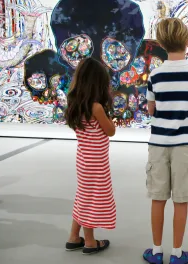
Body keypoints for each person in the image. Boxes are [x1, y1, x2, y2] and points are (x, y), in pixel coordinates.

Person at [143, 18, 188, 264]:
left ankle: (156, 251)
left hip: (158, 144)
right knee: (181, 200)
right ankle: (177, 253)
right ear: (187, 41)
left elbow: (150, 109)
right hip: (186, 145)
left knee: (158, 198)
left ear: (160, 43)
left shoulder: (155, 75)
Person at [64, 58, 116, 255]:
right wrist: (111, 120)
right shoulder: (97, 108)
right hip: (97, 163)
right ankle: (90, 241)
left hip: (83, 161)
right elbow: (110, 131)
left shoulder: (75, 104)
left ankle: (73, 237)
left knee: (83, 195)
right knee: (92, 199)